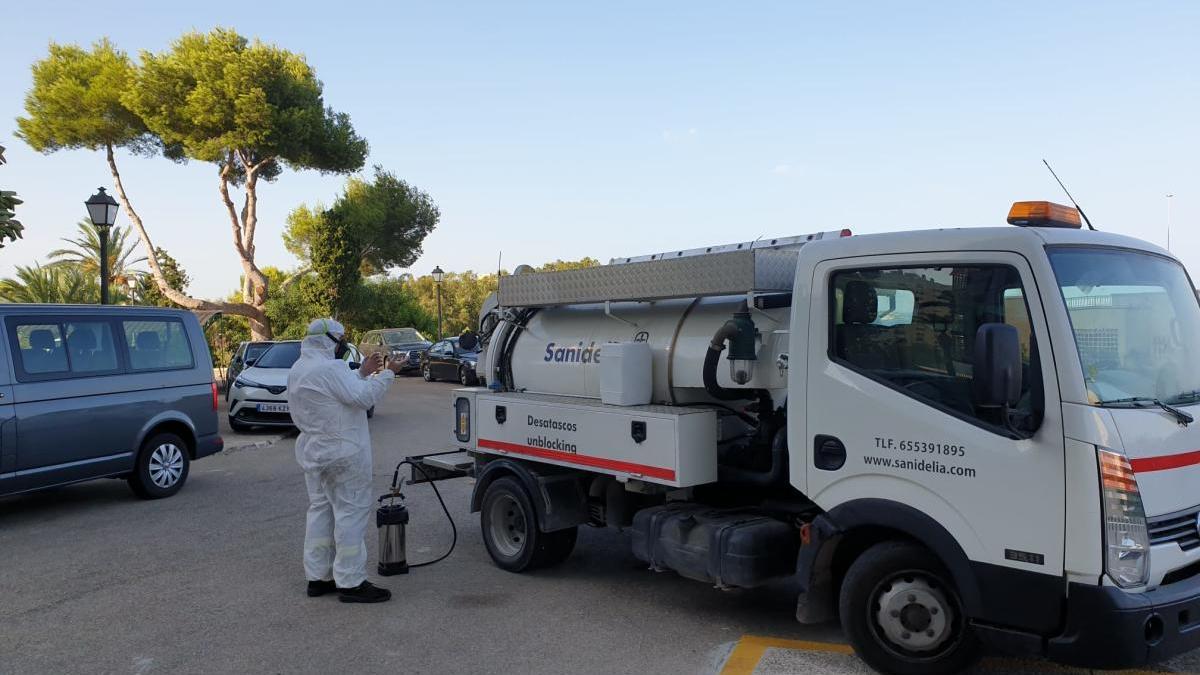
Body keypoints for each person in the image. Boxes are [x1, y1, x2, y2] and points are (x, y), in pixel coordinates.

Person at [289, 318, 404, 603]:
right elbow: (362, 398)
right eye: (341, 339)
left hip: (315, 454)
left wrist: (363, 372)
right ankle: (351, 582)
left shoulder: (300, 369)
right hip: (344, 454)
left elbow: (340, 393)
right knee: (350, 514)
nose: (343, 344)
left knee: (320, 512)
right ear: (329, 340)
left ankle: (318, 577)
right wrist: (388, 374)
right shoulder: (330, 368)